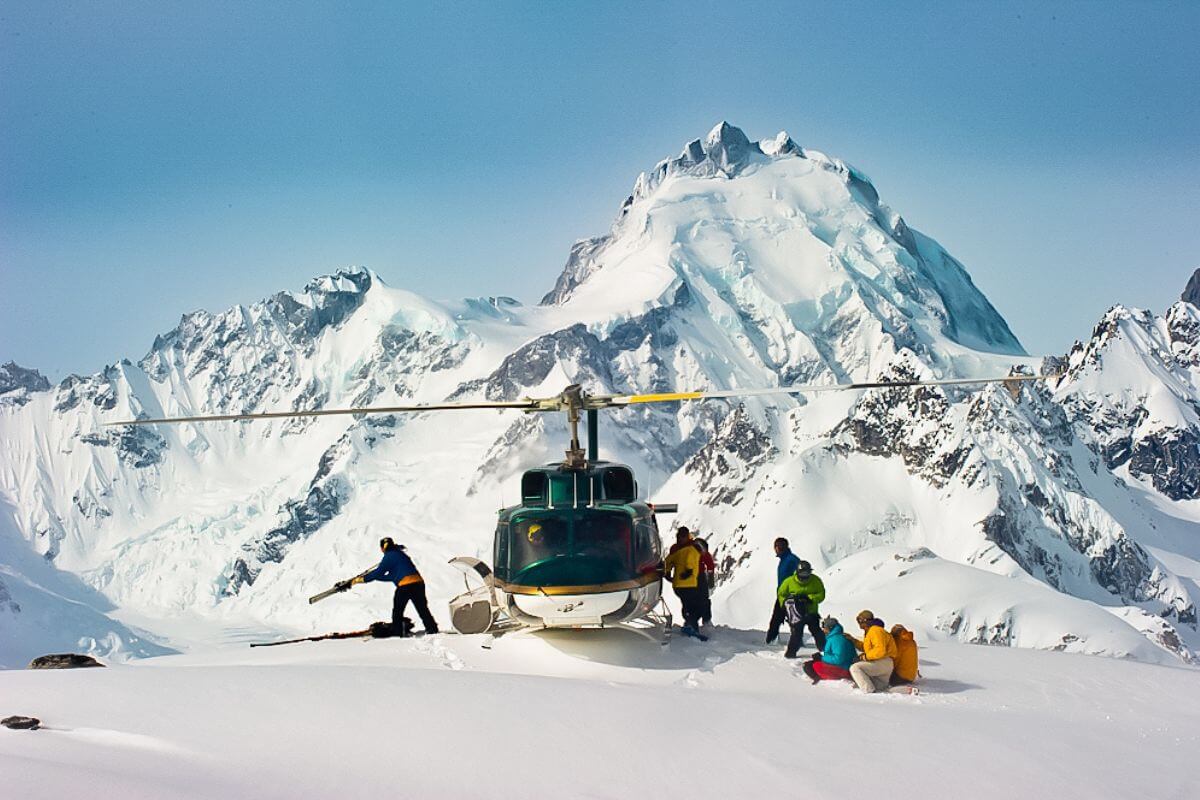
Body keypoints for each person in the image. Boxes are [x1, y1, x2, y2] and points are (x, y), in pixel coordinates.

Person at [339, 537, 439, 637]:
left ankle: (398, 632)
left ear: (382, 548)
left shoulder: (388, 557)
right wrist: (376, 577)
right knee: (422, 609)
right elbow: (392, 577)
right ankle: (432, 628)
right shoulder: (400, 554)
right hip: (418, 583)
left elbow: (377, 573)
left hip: (405, 586)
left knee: (397, 611)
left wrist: (357, 581)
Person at [776, 560, 826, 657]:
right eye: (802, 573)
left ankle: (825, 651)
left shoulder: (816, 581)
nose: (804, 575)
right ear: (797, 572)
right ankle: (790, 653)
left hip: (811, 612)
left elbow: (821, 594)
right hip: (796, 613)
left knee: (817, 632)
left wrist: (809, 598)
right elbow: (781, 594)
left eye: (807, 573)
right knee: (796, 634)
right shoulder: (789, 582)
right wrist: (787, 603)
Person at [663, 529, 704, 636]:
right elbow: (690, 561)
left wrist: (667, 574)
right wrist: (689, 571)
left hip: (678, 585)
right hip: (689, 583)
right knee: (694, 606)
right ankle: (692, 628)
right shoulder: (692, 549)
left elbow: (667, 562)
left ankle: (689, 624)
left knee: (687, 605)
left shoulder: (676, 550)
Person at [845, 609, 897, 693]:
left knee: (855, 668)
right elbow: (868, 649)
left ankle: (869, 692)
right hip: (883, 663)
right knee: (879, 688)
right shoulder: (870, 631)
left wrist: (864, 657)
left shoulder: (875, 631)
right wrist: (853, 640)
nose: (858, 623)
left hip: (882, 662)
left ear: (864, 620)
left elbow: (880, 650)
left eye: (859, 620)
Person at [801, 617, 857, 684]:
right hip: (846, 666)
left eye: (825, 628)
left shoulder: (836, 639)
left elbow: (838, 659)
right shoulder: (837, 637)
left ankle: (820, 678)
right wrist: (821, 656)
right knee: (811, 663)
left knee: (809, 666)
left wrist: (822, 658)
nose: (823, 630)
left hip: (843, 668)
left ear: (830, 628)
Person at [766, 537, 801, 644]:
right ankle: (773, 639)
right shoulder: (786, 559)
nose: (775, 549)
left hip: (790, 595)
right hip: (783, 594)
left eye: (776, 547)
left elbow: (799, 576)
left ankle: (772, 640)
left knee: (783, 618)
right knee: (787, 618)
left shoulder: (791, 560)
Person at [694, 536, 716, 627]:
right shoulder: (688, 552)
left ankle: (706, 620)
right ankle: (692, 621)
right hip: (690, 577)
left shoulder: (705, 554)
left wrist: (710, 578)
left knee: (704, 599)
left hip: (700, 576)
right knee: (691, 600)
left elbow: (710, 564)